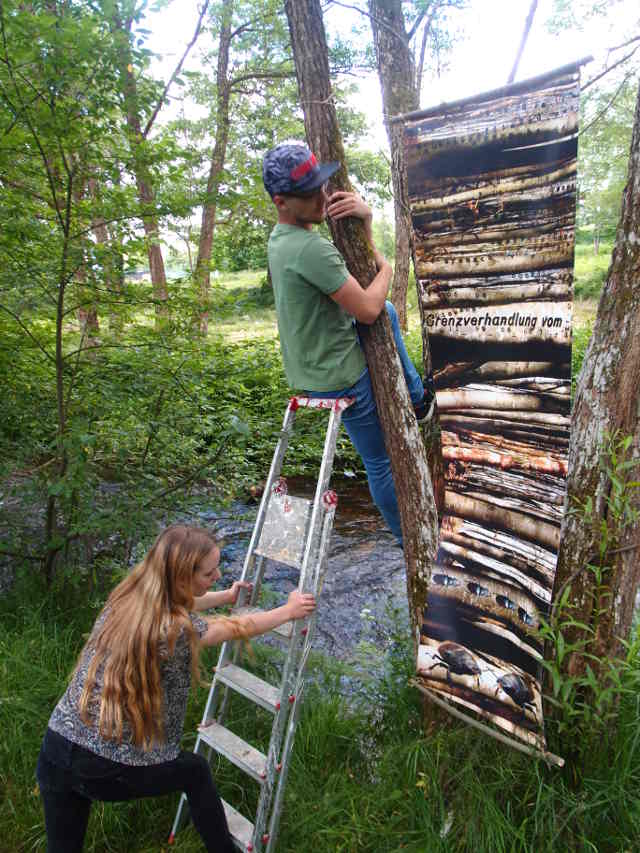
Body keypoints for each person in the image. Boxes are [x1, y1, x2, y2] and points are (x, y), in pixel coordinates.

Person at [36, 524, 316, 853]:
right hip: (102, 766)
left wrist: (225, 597)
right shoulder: (174, 631)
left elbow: (179, 602)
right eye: (210, 573)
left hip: (56, 747)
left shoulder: (128, 595)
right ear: (183, 577)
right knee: (194, 771)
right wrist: (288, 611)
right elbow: (235, 626)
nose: (218, 575)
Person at [262, 142, 435, 543]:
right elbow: (368, 309)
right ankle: (408, 540)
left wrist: (366, 223)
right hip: (338, 374)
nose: (322, 197)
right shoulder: (310, 248)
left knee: (391, 314)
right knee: (380, 462)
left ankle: (417, 397)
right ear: (281, 201)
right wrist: (390, 265)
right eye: (310, 193)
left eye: (321, 186)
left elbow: (359, 284)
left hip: (309, 367)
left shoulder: (281, 240)